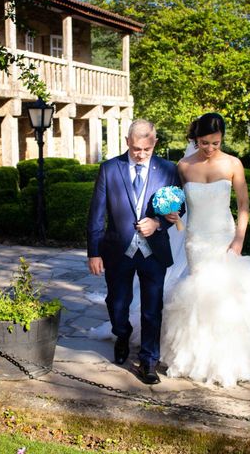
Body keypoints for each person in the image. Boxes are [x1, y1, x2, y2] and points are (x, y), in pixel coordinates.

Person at [160, 112, 250, 386]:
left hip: (224, 237)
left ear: (222, 140)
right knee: (201, 292)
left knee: (227, 296)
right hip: (196, 239)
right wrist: (174, 215)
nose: (209, 148)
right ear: (196, 138)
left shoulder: (233, 164)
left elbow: (244, 206)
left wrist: (239, 239)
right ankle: (199, 357)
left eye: (215, 143)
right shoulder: (183, 166)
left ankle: (233, 359)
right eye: (204, 142)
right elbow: (179, 204)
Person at [87, 119, 182, 385]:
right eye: (136, 148)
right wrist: (94, 252)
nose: (140, 154)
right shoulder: (109, 169)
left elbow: (178, 206)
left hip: (154, 251)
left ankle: (149, 361)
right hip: (118, 250)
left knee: (152, 309)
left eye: (146, 149)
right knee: (117, 303)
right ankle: (122, 333)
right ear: (127, 141)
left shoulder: (168, 169)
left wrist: (159, 222)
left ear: (155, 144)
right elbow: (96, 215)